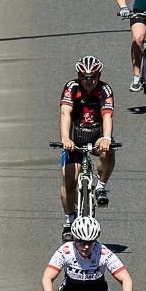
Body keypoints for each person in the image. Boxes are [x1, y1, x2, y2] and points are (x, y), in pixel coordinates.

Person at [58, 56, 115, 238]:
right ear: (78, 76)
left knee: (108, 149)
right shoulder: (71, 88)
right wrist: (66, 138)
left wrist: (106, 138)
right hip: (75, 140)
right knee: (68, 182)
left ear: (99, 76)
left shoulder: (105, 90)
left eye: (93, 77)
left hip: (96, 136)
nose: (89, 81)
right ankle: (69, 220)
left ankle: (100, 186)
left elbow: (107, 116)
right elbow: (65, 113)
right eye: (84, 77)